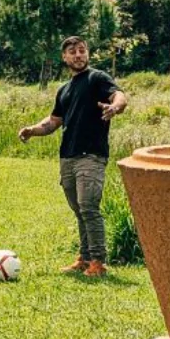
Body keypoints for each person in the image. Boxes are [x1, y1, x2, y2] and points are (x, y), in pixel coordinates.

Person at [17, 36, 128, 278]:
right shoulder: (64, 90)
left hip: (91, 155)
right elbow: (53, 122)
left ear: (87, 54)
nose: (78, 55)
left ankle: (98, 261)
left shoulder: (97, 78)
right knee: (79, 209)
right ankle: (84, 257)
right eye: (72, 52)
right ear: (64, 58)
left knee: (89, 207)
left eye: (81, 50)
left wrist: (115, 107)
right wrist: (32, 130)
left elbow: (119, 95)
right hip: (68, 157)